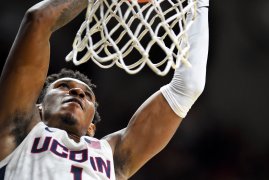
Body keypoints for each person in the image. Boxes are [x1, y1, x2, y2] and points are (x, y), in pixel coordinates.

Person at [0, 0, 209, 179]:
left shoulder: (110, 155)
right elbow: (37, 20)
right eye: (63, 87)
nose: (78, 93)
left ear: (91, 128)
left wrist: (200, 5)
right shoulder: (20, 132)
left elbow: (188, 88)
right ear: (38, 109)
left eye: (87, 95)